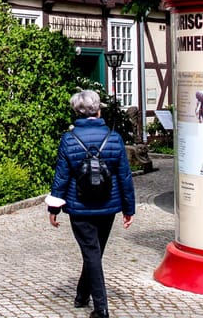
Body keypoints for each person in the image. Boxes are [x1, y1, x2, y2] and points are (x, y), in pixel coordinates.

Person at [46, 89, 136, 318]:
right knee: (94, 253)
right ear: (98, 110)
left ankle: (101, 308)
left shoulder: (69, 139)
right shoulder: (114, 138)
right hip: (108, 206)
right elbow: (125, 176)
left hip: (80, 207)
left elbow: (62, 176)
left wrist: (54, 207)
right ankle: (82, 295)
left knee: (91, 253)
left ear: (76, 112)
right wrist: (128, 209)